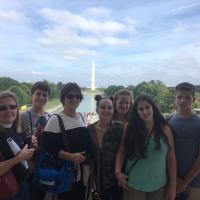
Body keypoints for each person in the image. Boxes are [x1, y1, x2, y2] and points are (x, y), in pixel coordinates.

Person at [115, 94, 176, 200]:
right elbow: (122, 151)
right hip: (134, 184)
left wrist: (172, 186)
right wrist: (117, 172)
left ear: (153, 107)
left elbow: (171, 157)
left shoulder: (165, 129)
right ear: (136, 112)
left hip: (159, 185)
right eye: (141, 109)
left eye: (147, 107)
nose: (145, 111)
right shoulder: (129, 128)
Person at [42, 82, 91, 200]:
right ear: (63, 98)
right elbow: (47, 147)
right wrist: (71, 157)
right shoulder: (55, 119)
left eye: (78, 96)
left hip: (81, 174)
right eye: (70, 96)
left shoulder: (81, 117)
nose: (74, 99)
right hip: (64, 173)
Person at [0, 91, 37, 200]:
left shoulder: (16, 129)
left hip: (22, 184)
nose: (9, 111)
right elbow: (20, 157)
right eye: (2, 108)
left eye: (12, 106)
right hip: (7, 190)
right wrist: (20, 158)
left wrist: (31, 144)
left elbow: (25, 154)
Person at [168, 82, 200, 199]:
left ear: (194, 99)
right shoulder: (168, 121)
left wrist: (185, 181)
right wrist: (173, 179)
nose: (183, 101)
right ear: (175, 99)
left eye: (187, 97)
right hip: (170, 181)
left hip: (194, 183)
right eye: (179, 97)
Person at [88, 95, 123, 200]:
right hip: (97, 181)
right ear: (97, 110)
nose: (106, 110)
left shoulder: (119, 127)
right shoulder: (89, 130)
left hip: (117, 180)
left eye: (109, 108)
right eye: (103, 107)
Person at [20, 81, 51, 200]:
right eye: (38, 94)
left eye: (45, 95)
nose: (41, 97)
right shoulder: (22, 116)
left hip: (45, 167)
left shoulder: (50, 117)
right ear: (31, 95)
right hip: (29, 169)